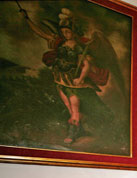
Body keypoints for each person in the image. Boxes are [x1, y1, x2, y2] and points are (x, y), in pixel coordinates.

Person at [21, 8, 109, 144]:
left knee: (74, 108)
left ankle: (72, 133)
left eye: (67, 31)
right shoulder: (60, 42)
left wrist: (80, 79)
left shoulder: (78, 46)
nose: (65, 34)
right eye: (63, 32)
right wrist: (27, 19)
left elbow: (86, 65)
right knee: (69, 108)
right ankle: (79, 129)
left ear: (74, 32)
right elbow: (41, 33)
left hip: (73, 82)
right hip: (60, 79)